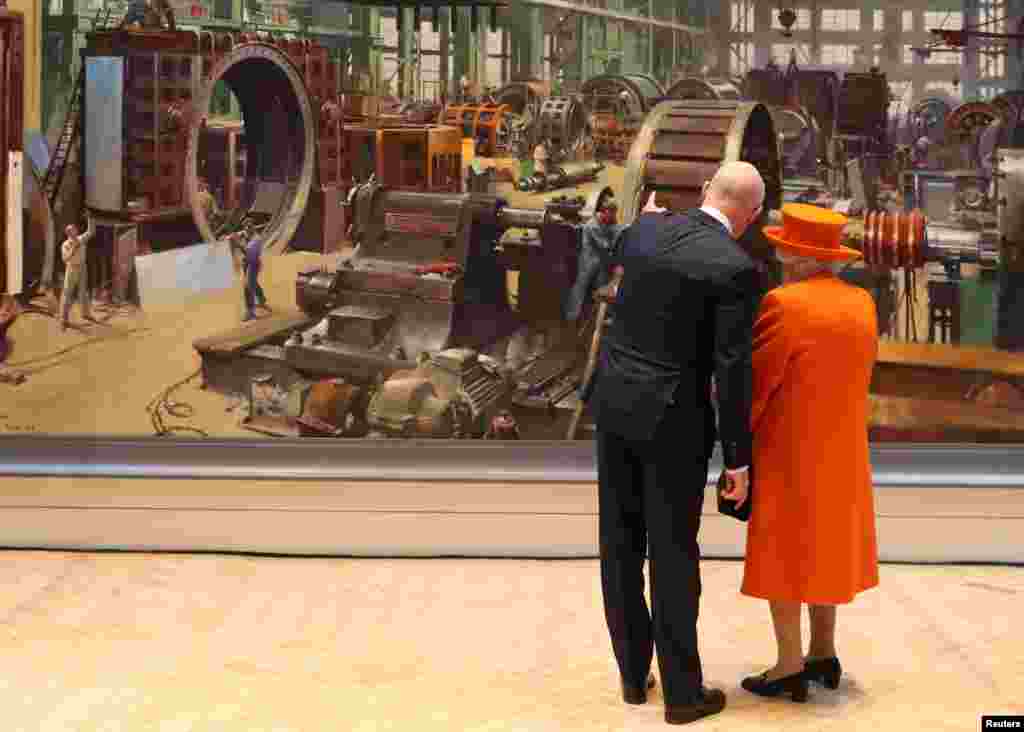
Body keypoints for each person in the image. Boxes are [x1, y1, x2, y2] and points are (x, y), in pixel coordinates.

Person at [589, 161, 765, 725]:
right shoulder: (736, 268)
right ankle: (684, 694)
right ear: (752, 216)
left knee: (618, 543)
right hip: (673, 423)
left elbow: (625, 260)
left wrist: (647, 224)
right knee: (671, 552)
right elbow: (732, 372)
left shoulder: (641, 231)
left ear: (708, 186)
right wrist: (738, 459)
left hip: (614, 405)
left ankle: (633, 678)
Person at [739, 203, 879, 702]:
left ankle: (788, 664)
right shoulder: (862, 301)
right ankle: (824, 653)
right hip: (842, 445)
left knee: (785, 550)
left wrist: (735, 431)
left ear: (798, 257)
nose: (777, 254)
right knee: (826, 546)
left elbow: (760, 380)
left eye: (784, 248)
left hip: (790, 447)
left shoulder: (784, 304)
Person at [565, 197, 625, 323]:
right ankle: (571, 316)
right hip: (588, 261)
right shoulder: (592, 225)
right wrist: (616, 237)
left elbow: (616, 230)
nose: (613, 216)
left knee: (603, 288)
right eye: (611, 213)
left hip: (601, 262)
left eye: (615, 213)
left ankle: (603, 316)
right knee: (580, 287)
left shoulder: (609, 221)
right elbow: (605, 245)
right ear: (604, 211)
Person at [59, 216, 95, 331]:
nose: (73, 231)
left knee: (83, 291)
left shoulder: (81, 238)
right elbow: (65, 259)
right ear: (67, 233)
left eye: (74, 229)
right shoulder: (65, 245)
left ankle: (85, 313)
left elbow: (91, 231)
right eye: (70, 230)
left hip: (82, 267)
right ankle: (63, 319)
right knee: (67, 292)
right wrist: (73, 248)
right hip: (72, 268)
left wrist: (91, 217)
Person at [239, 228, 270, 322]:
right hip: (249, 263)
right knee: (253, 283)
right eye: (245, 228)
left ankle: (250, 312)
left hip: (252, 264)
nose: (245, 232)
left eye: (248, 228)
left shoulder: (256, 240)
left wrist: (238, 244)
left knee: (248, 287)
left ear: (253, 229)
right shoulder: (248, 235)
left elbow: (248, 253)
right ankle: (262, 301)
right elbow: (242, 234)